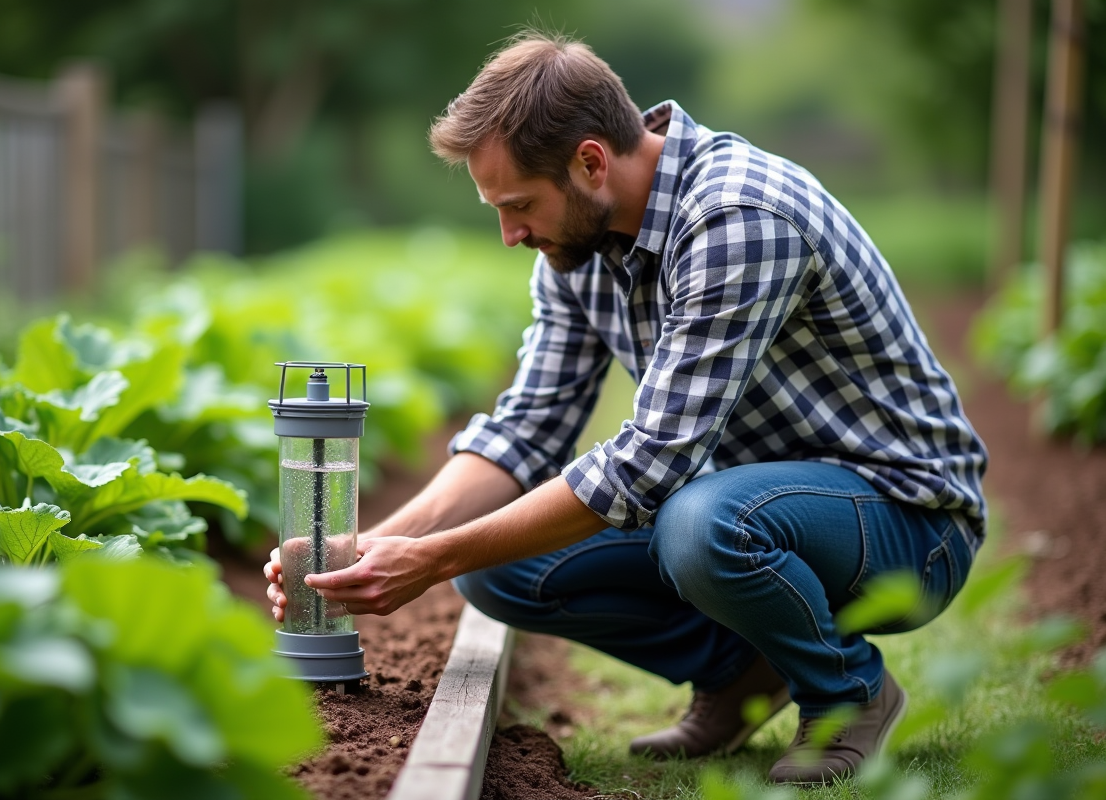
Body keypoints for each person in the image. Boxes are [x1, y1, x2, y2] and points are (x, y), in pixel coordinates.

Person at [264, 30, 987, 785]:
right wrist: (370, 548)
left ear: (590, 162)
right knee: (498, 571)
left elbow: (649, 466)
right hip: (763, 506)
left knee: (699, 524)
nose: (509, 235)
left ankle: (848, 695)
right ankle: (747, 673)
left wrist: (435, 557)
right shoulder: (580, 248)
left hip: (909, 519)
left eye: (517, 206)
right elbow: (525, 430)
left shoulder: (737, 216)